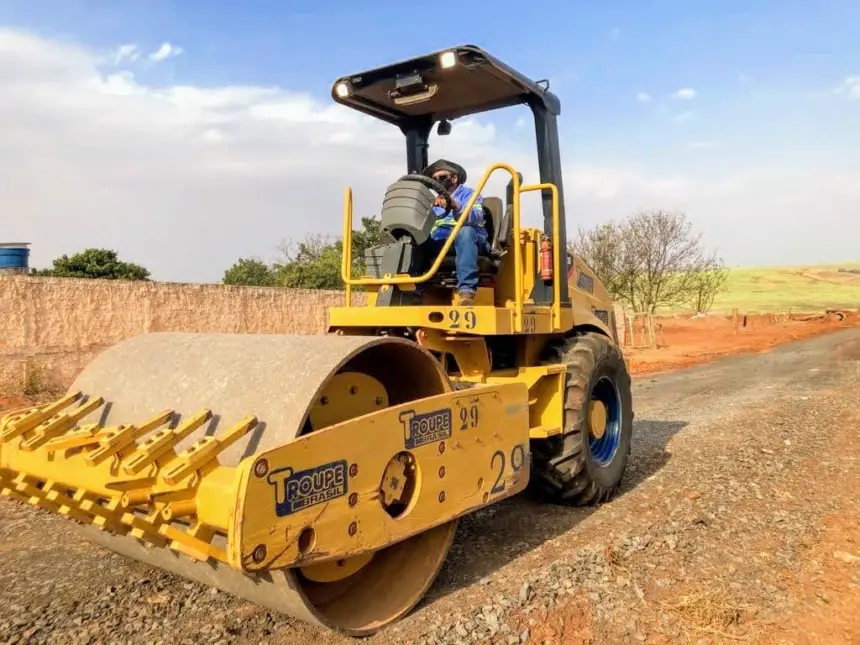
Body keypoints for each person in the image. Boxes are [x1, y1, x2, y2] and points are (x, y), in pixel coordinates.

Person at [423, 159, 488, 305]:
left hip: (471, 240)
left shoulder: (470, 194)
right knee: (415, 239)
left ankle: (466, 290)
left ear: (454, 178)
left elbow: (476, 217)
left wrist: (455, 205)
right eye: (434, 179)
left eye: (442, 177)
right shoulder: (433, 201)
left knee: (464, 232)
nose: (438, 181)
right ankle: (413, 289)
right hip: (441, 241)